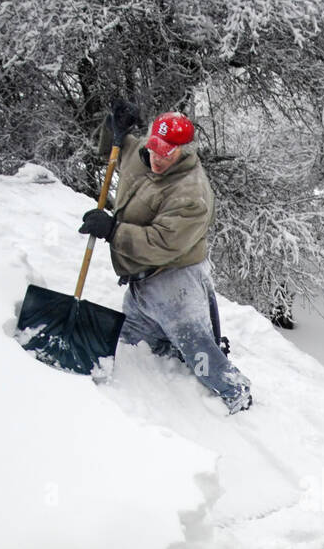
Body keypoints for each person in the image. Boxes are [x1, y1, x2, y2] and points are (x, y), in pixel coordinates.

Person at [79, 99, 252, 413]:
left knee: (198, 349)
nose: (157, 158)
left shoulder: (191, 193)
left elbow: (161, 242)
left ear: (184, 151)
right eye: (154, 147)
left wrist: (113, 231)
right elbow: (111, 151)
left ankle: (236, 393)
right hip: (141, 282)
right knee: (136, 347)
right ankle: (169, 352)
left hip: (176, 282)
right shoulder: (141, 153)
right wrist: (112, 127)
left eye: (167, 152)